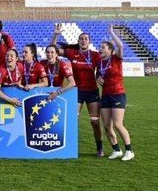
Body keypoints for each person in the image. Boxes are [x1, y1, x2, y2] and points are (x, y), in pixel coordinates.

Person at [51, 24, 104, 156]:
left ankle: (100, 147)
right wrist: (56, 35)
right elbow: (54, 49)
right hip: (76, 92)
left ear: (89, 41)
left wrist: (99, 77)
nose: (83, 40)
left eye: (86, 39)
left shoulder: (96, 55)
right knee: (72, 120)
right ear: (78, 41)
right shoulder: (72, 53)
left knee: (95, 121)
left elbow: (100, 71)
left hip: (92, 91)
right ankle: (69, 147)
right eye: (81, 39)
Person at [98, 25, 134, 161]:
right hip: (106, 95)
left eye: (103, 47)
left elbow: (121, 46)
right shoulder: (100, 62)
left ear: (110, 50)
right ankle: (116, 149)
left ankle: (129, 151)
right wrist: (98, 78)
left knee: (118, 124)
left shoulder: (116, 58)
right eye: (100, 47)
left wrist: (111, 33)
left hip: (118, 93)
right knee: (107, 126)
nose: (100, 49)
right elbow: (98, 74)